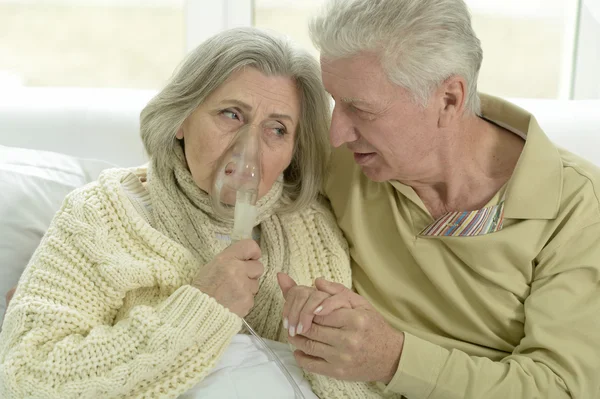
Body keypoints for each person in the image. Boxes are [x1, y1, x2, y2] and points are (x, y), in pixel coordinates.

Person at [0, 27, 387, 399]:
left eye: (277, 129)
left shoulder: (311, 230)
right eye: (231, 114)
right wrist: (201, 306)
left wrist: (335, 347)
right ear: (182, 117)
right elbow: (25, 378)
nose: (247, 151)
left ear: (293, 149)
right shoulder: (100, 217)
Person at [279, 0, 600, 398]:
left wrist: (394, 359)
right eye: (334, 101)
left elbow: (561, 388)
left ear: (449, 99)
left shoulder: (578, 208)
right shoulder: (343, 162)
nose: (336, 133)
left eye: (360, 108)